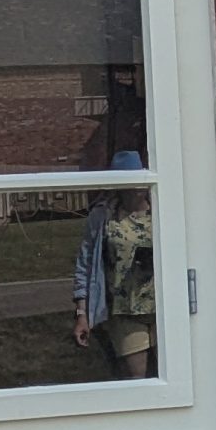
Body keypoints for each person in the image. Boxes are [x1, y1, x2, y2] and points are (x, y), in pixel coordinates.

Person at [72, 151, 156, 379]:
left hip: (164, 310)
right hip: (125, 310)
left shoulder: (161, 210)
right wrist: (82, 313)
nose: (137, 187)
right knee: (138, 379)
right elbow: (85, 264)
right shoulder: (103, 216)